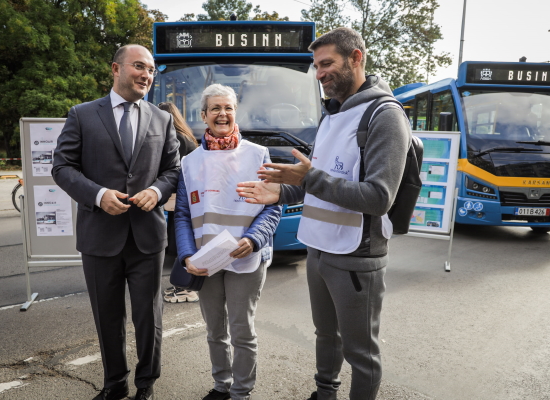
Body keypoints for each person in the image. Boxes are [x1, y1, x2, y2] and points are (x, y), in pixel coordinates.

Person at [236, 27, 411, 400]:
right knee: (326, 335)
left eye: (327, 64)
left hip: (356, 255)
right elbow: (317, 181)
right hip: (317, 248)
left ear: (356, 58)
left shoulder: (385, 115)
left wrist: (306, 177)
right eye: (316, 66)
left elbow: (379, 197)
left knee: (361, 353)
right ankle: (324, 393)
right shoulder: (331, 115)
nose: (319, 74)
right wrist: (279, 192)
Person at [52, 44, 180, 400]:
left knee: (148, 318)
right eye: (139, 66)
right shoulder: (82, 115)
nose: (147, 75)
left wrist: (156, 190)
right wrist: (97, 195)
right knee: (107, 317)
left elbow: (173, 170)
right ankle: (114, 384)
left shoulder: (162, 119)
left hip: (147, 237)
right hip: (99, 236)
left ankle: (146, 384)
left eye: (151, 70)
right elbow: (62, 167)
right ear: (116, 69)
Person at [175, 83, 281, 400]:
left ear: (235, 112)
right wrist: (187, 255)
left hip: (246, 256)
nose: (222, 114)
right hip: (206, 260)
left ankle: (241, 392)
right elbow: (182, 214)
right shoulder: (190, 162)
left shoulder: (257, 155)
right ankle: (221, 385)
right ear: (203, 115)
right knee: (214, 330)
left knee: (242, 330)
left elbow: (273, 206)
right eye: (215, 108)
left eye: (228, 108)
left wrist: (254, 239)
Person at [157, 101, 200, 304]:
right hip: (189, 198)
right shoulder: (184, 136)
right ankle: (183, 286)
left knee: (180, 243)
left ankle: (187, 289)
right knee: (181, 242)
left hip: (184, 199)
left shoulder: (178, 139)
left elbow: (175, 171)